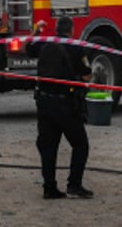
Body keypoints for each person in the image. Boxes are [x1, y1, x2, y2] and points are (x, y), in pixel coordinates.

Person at [27, 16, 93, 199]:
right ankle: (74, 185)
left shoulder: (46, 43)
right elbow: (87, 76)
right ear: (71, 30)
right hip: (65, 104)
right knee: (80, 145)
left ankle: (49, 188)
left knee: (48, 147)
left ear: (56, 29)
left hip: (44, 103)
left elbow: (28, 48)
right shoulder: (76, 47)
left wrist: (37, 31)